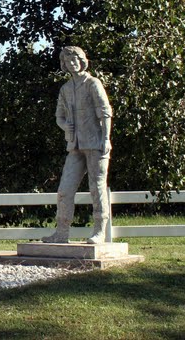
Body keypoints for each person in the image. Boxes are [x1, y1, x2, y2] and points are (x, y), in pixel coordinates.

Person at [42, 46, 113, 244]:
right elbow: (59, 117)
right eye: (67, 61)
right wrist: (66, 126)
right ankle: (62, 232)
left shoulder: (93, 84)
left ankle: (99, 231)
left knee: (96, 188)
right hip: (75, 146)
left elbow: (105, 113)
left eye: (75, 59)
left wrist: (106, 139)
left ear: (82, 60)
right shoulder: (65, 89)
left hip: (95, 143)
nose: (71, 63)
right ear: (64, 64)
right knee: (65, 190)